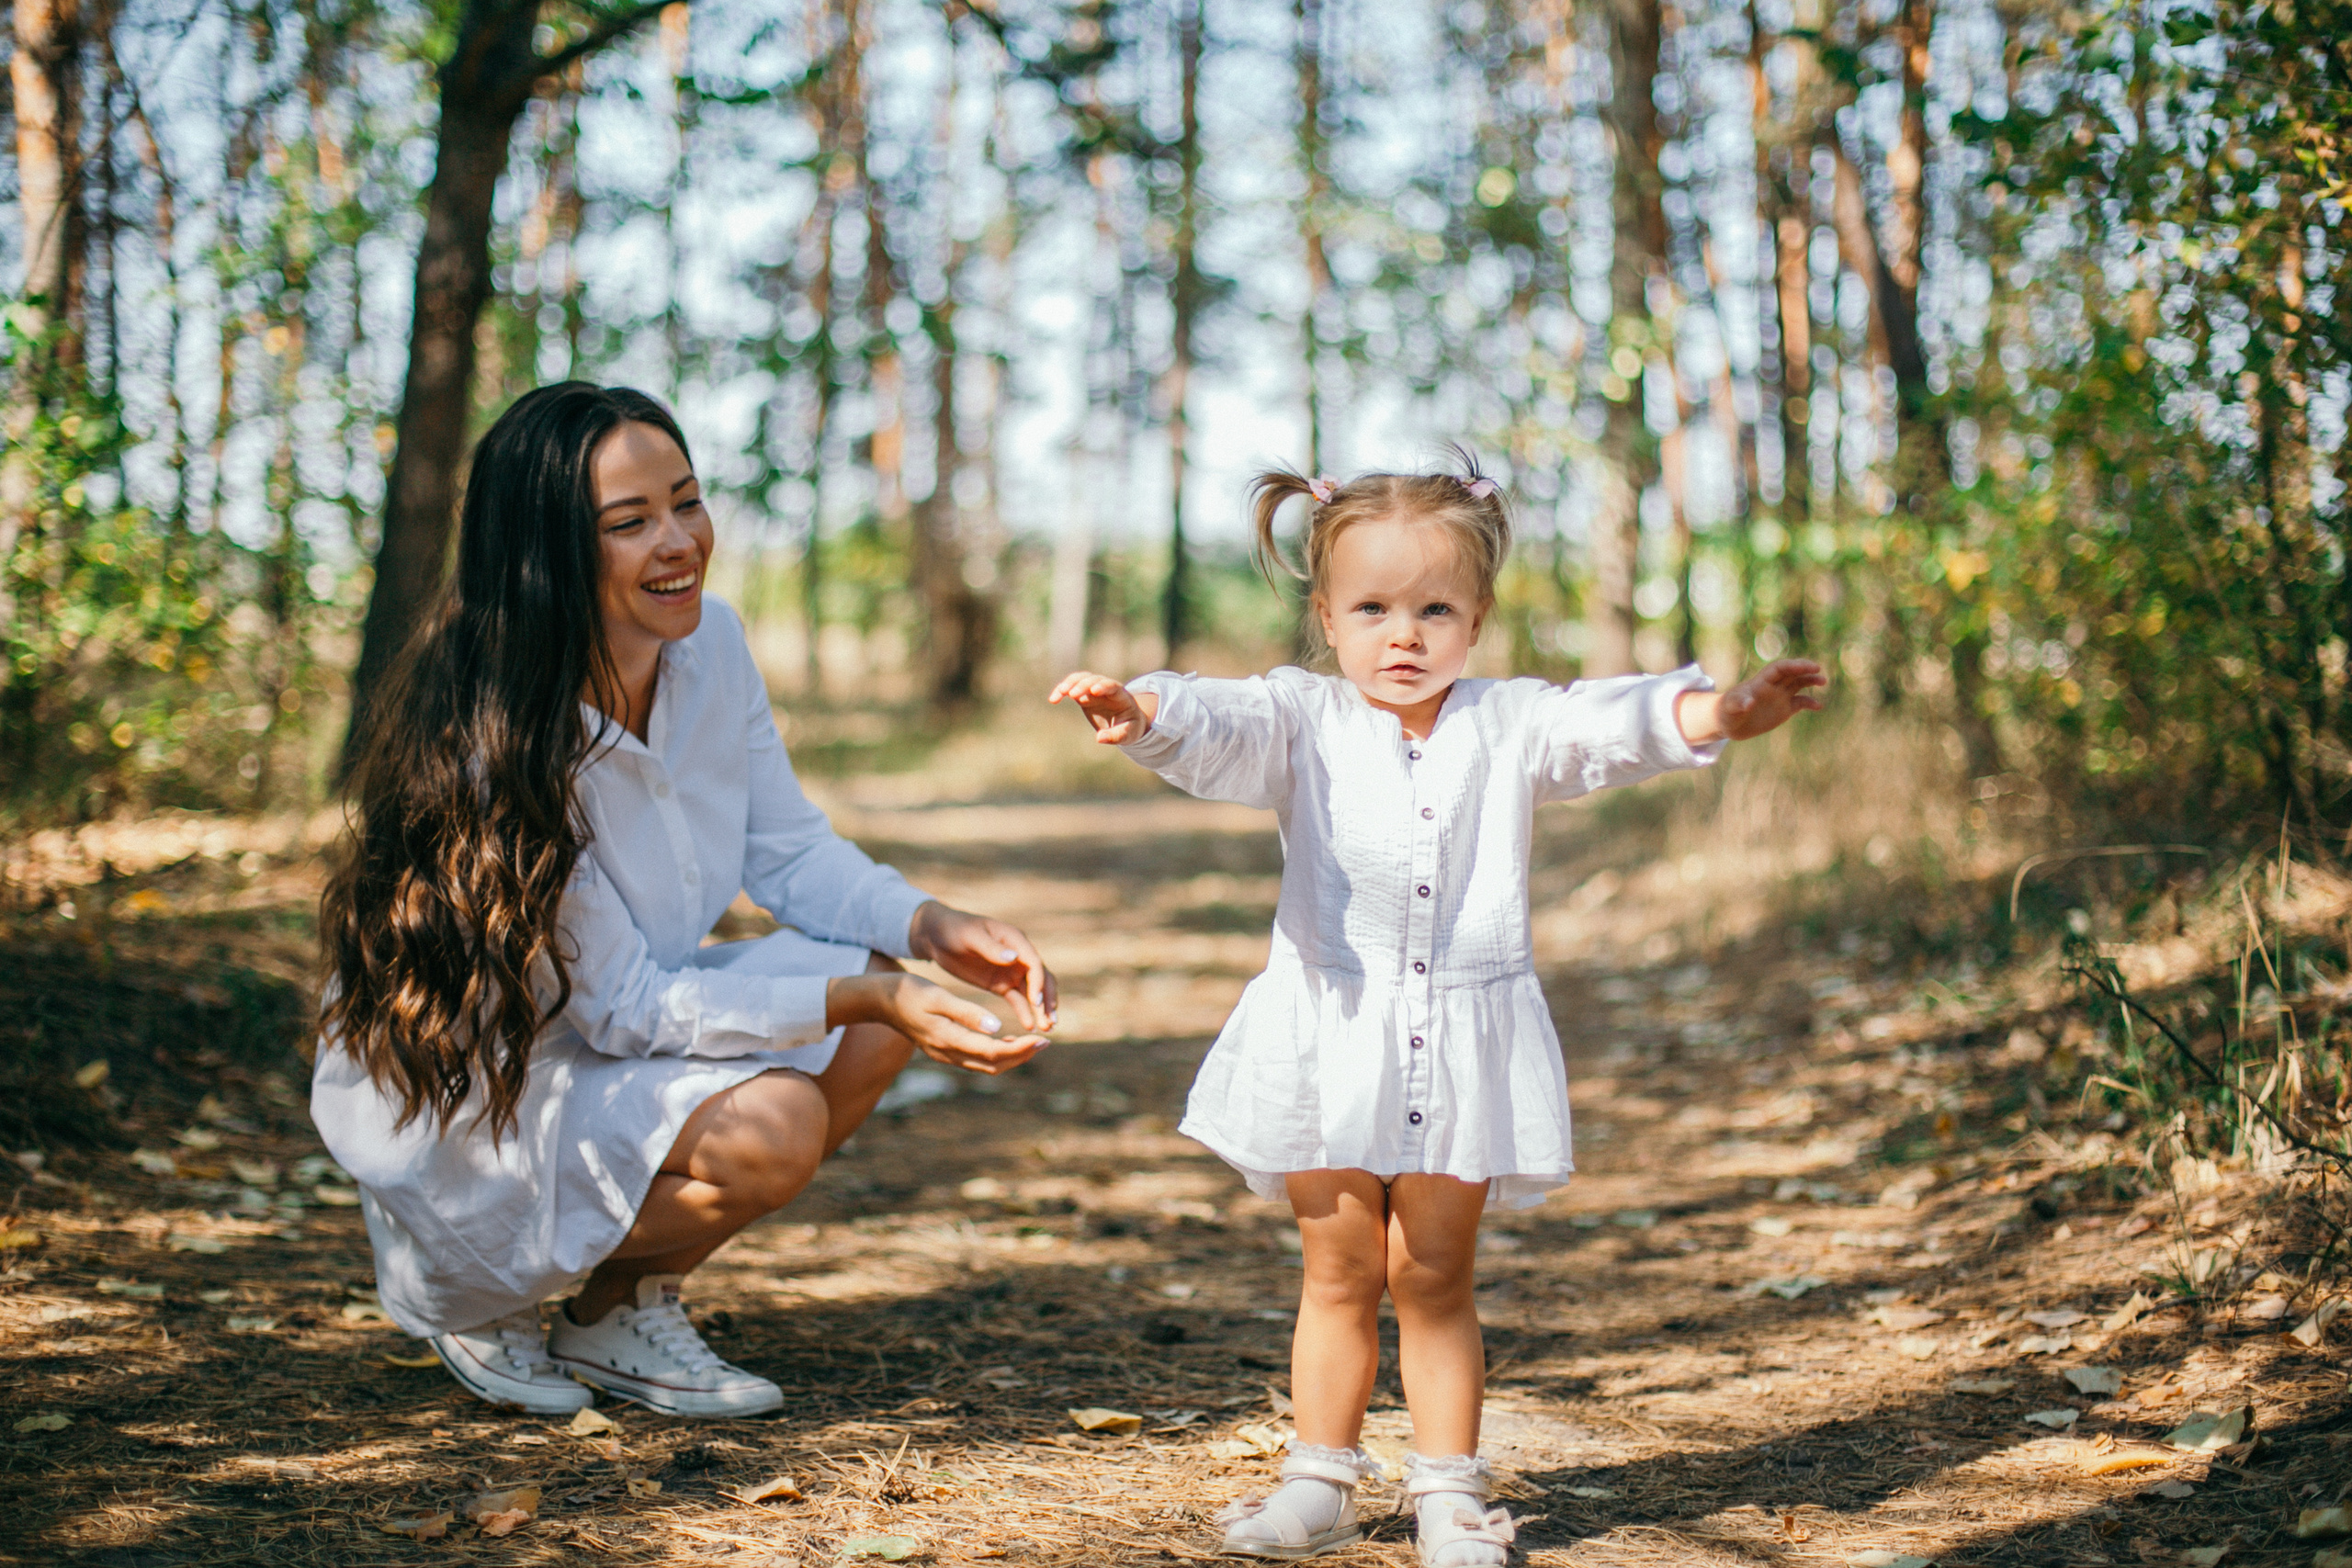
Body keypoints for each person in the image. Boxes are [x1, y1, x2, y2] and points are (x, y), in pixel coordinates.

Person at [1050, 456, 1824, 1564]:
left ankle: (1449, 1495)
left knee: (1432, 1276)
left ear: (1477, 618)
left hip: (1462, 1047)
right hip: (1328, 1035)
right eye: (1370, 609)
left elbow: (1611, 726)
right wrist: (1142, 708)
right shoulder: (1301, 718)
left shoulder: (1510, 725)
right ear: (1325, 616)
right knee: (1338, 1270)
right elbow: (1213, 722)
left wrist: (1720, 709)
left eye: (1433, 609)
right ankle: (1318, 1481)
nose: (1401, 634)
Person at [311, 382, 1055, 1419]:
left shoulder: (711, 652)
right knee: (784, 1111)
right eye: (629, 523)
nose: (678, 542)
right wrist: (861, 998)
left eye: (687, 502)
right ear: (546, 553)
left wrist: (930, 924)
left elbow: (786, 850)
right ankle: (466, 1280)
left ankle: (613, 1308)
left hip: (611, 1031)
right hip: (482, 1101)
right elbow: (622, 1007)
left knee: (881, 1004)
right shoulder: (497, 742)